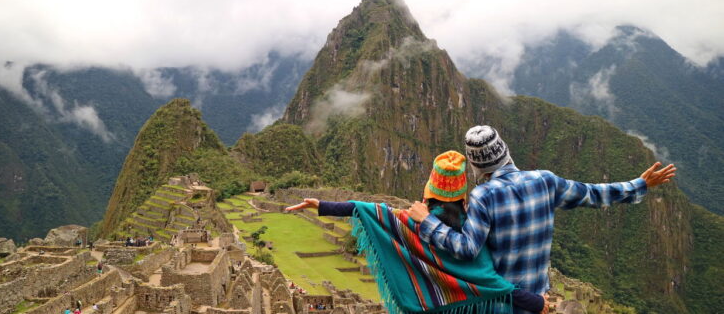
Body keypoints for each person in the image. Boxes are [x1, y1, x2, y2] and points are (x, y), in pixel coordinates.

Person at [406, 125, 676, 314]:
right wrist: (639, 184)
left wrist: (427, 221)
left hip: (502, 304)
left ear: (475, 166)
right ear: (506, 152)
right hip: (537, 301)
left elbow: (466, 249)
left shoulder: (483, 196)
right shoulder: (545, 181)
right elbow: (594, 194)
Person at [287, 151, 546, 314]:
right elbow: (494, 283)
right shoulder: (474, 229)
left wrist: (322, 204)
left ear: (429, 190)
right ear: (462, 195)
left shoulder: (411, 223)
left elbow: (372, 210)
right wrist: (537, 303)